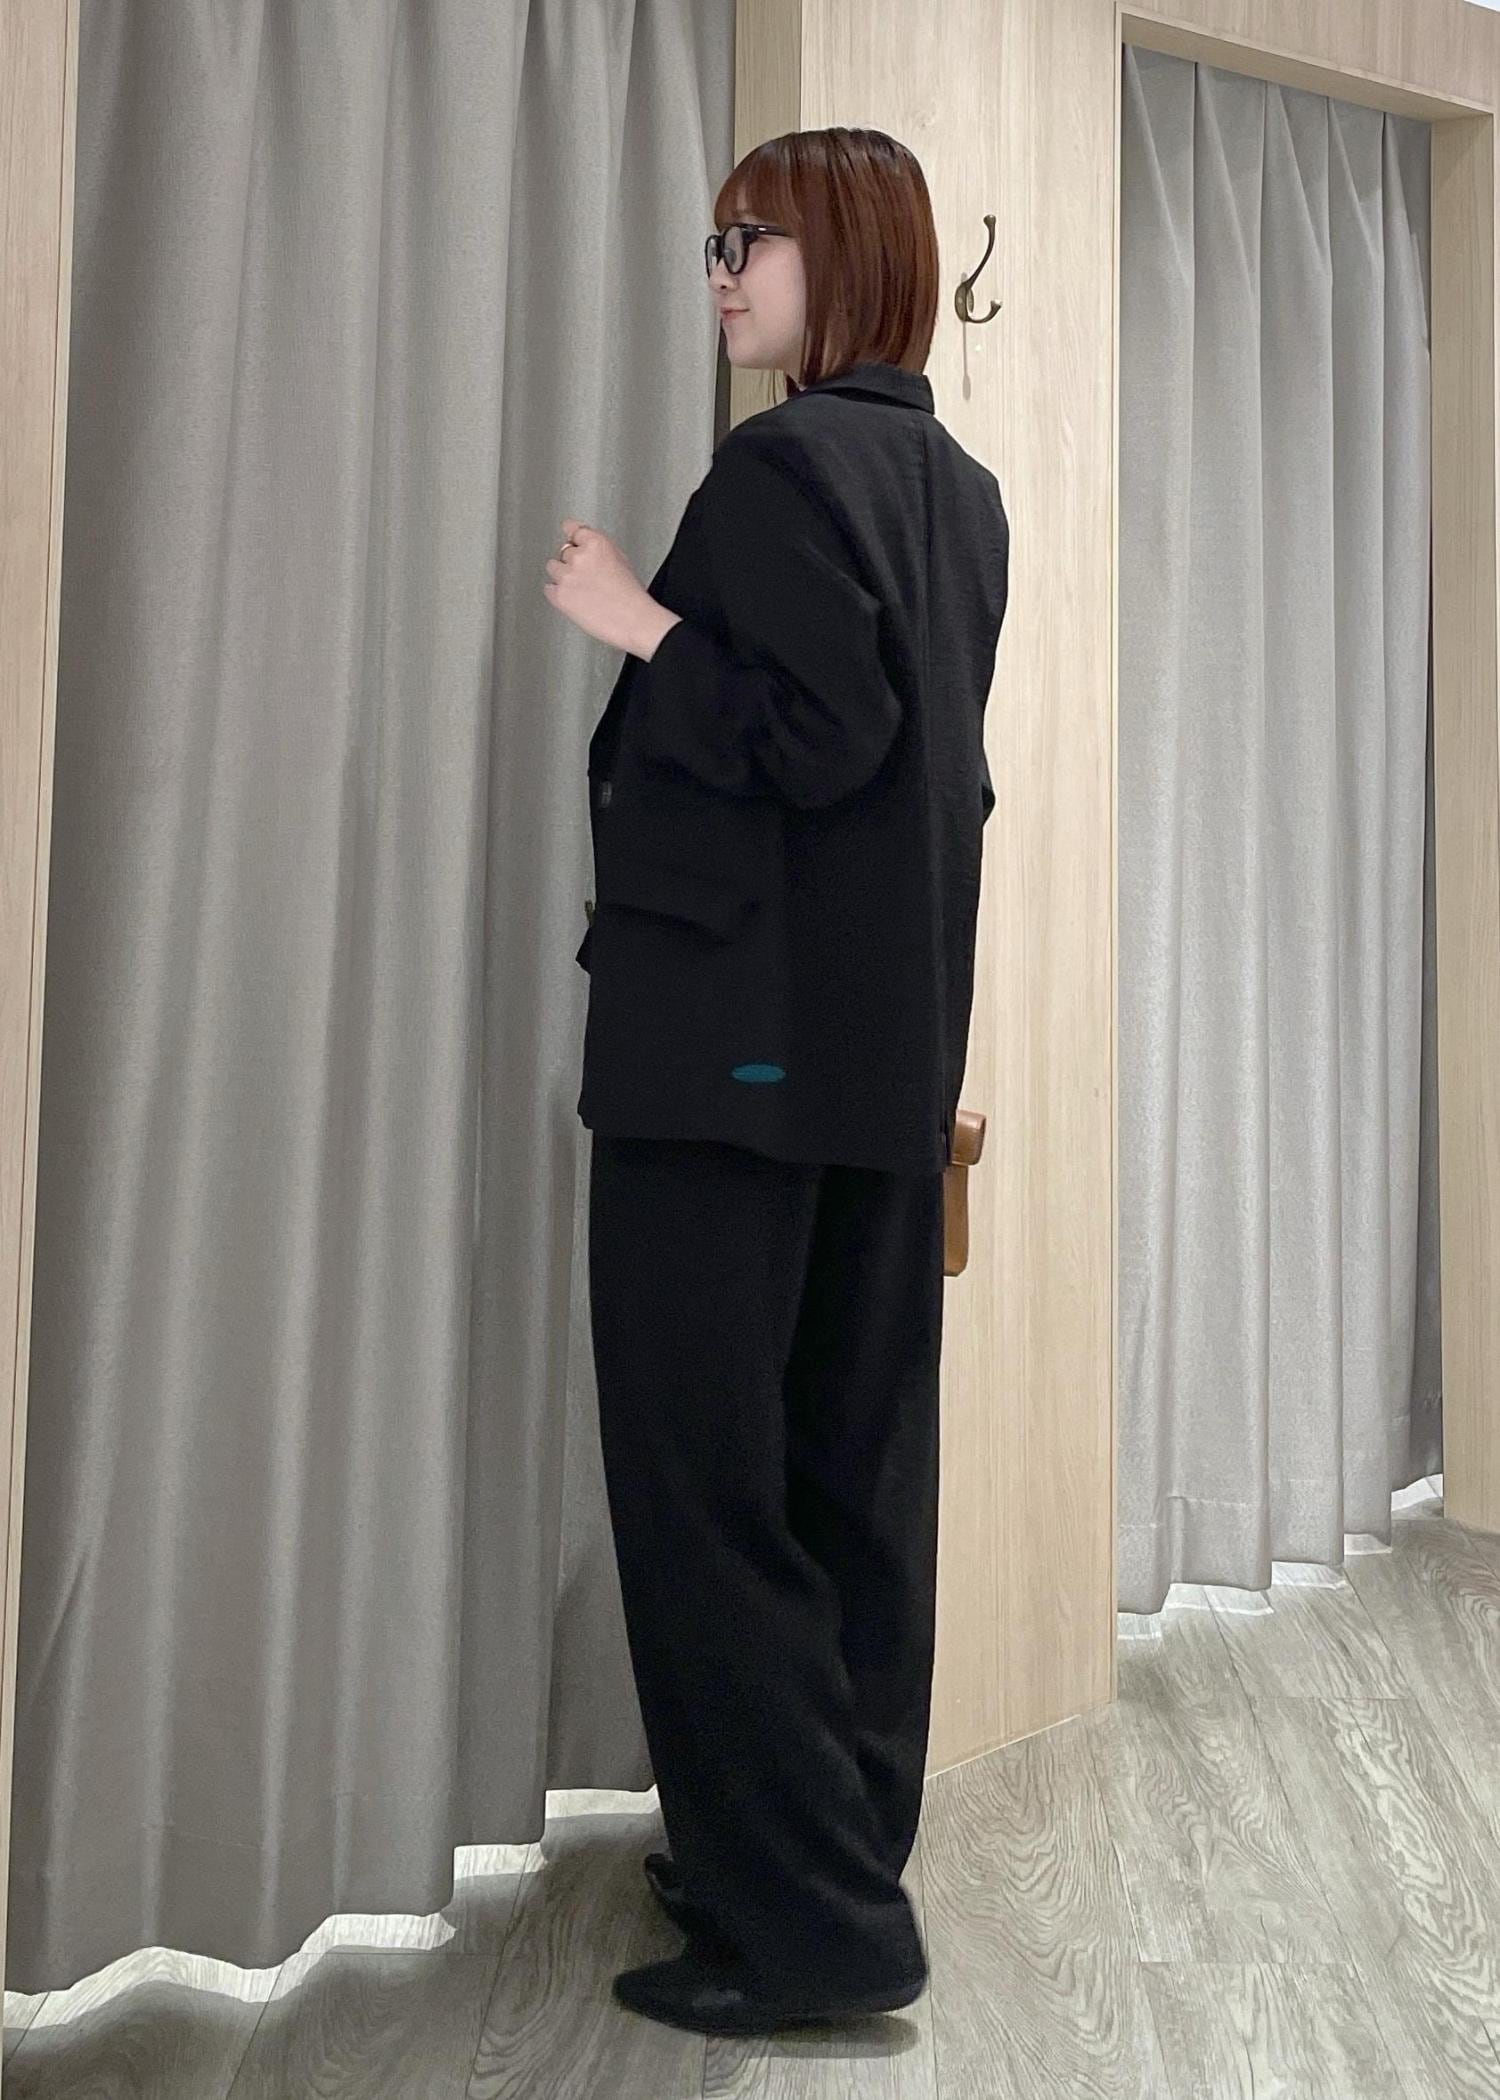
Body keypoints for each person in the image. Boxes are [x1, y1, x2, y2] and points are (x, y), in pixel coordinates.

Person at [542, 125, 1009, 2039]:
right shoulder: (960, 491)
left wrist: (635, 621)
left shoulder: (781, 466)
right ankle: (811, 1858)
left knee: (708, 1492)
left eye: (757, 237)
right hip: (874, 1063)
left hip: (729, 1073)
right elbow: (915, 775)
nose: (721, 268)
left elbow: (823, 738)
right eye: (717, 238)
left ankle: (813, 1930)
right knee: (848, 1480)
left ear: (849, 255)